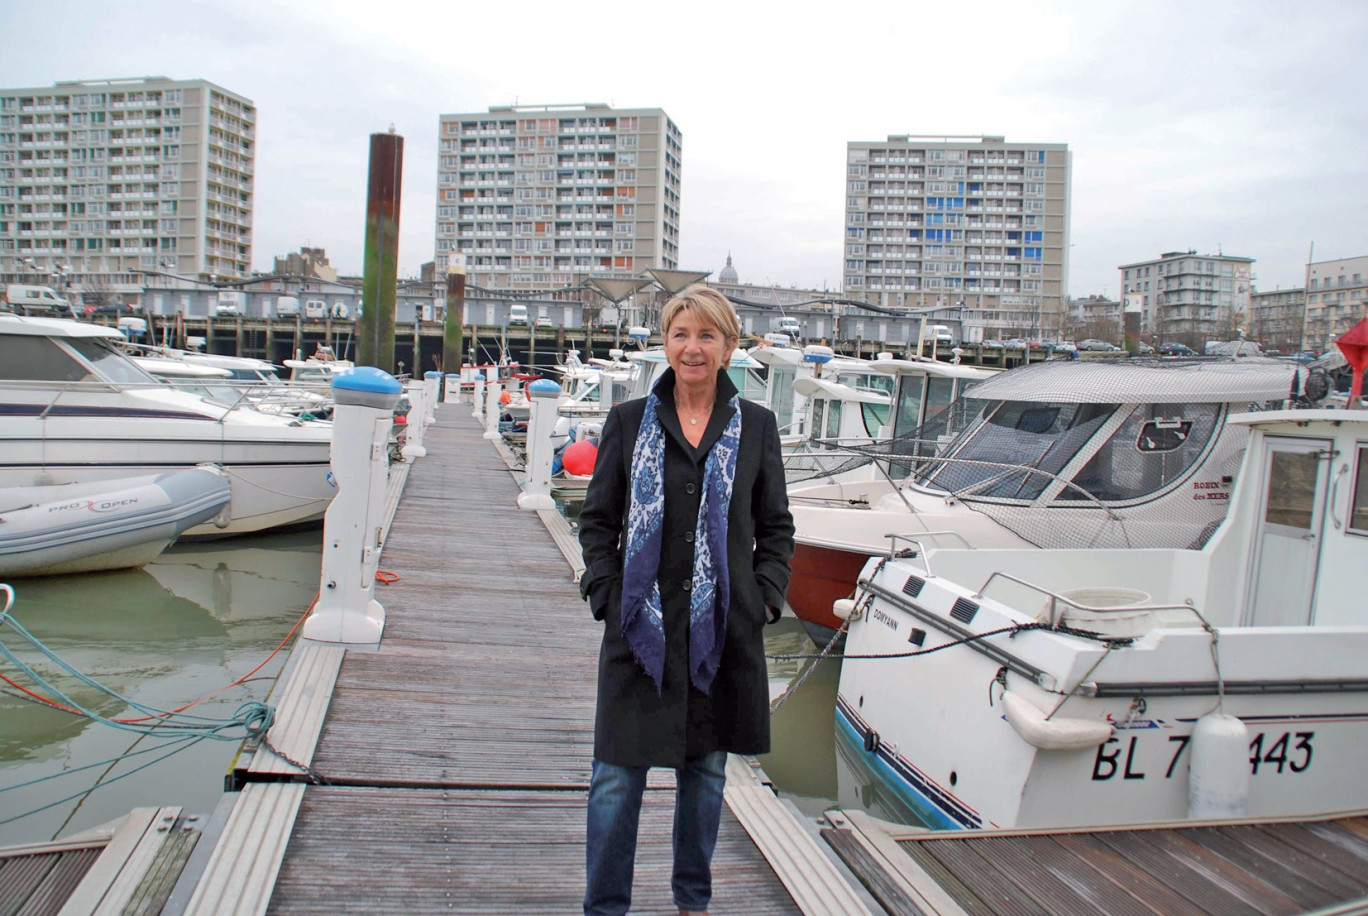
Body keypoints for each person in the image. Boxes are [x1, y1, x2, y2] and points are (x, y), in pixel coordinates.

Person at [577, 284, 794, 916]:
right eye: (680, 334)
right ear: (664, 342)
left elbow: (776, 528)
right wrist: (607, 595)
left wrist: (765, 599)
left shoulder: (756, 427)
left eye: (706, 335)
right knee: (614, 781)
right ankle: (605, 908)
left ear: (728, 347)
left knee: (704, 780)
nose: (692, 348)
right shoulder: (626, 422)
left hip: (721, 636)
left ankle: (691, 903)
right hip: (639, 633)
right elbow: (597, 523)